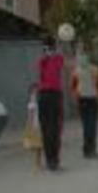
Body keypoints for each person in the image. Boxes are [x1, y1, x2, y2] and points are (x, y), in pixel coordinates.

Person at [70, 44, 98, 159]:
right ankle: (87, 150)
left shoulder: (95, 69)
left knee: (93, 126)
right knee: (87, 126)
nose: (82, 57)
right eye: (80, 54)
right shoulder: (75, 71)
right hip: (83, 100)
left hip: (93, 99)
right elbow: (72, 86)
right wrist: (76, 98)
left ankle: (92, 149)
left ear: (88, 56)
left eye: (84, 54)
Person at [37, 36, 65, 172]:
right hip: (45, 95)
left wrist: (55, 49)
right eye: (46, 48)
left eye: (49, 48)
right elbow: (43, 69)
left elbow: (60, 61)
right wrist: (49, 53)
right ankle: (51, 161)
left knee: (53, 129)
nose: (48, 50)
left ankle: (54, 160)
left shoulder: (57, 59)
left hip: (53, 95)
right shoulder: (42, 61)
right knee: (47, 129)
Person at [22, 83, 43, 172]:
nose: (35, 93)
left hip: (38, 125)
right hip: (35, 125)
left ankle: (38, 163)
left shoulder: (36, 101)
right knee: (38, 146)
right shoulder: (32, 102)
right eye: (33, 91)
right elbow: (31, 114)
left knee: (39, 146)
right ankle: (37, 163)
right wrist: (30, 125)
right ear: (30, 93)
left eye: (36, 91)